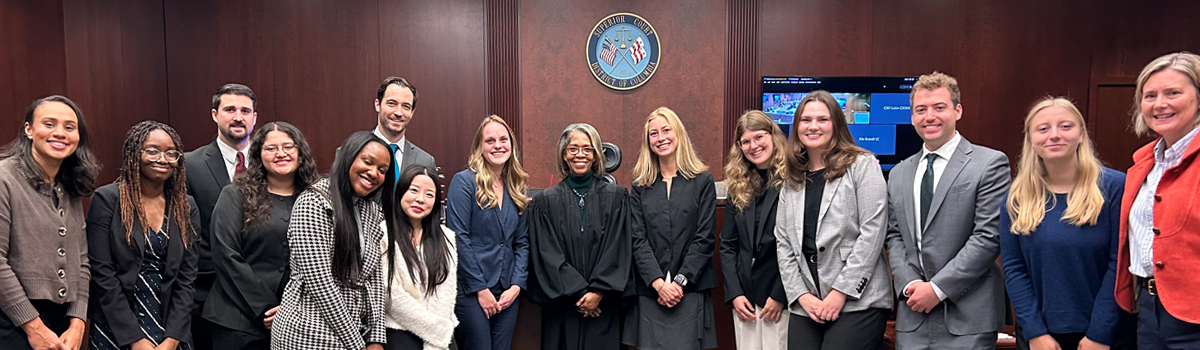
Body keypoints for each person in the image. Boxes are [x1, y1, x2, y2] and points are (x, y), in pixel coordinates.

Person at [883, 72, 1011, 349]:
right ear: (912, 116)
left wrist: (937, 289)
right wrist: (908, 286)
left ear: (957, 110)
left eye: (939, 107)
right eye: (921, 110)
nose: (930, 116)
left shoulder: (989, 163)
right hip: (913, 314)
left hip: (968, 317)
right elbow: (893, 236)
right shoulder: (899, 173)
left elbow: (988, 237)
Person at [1000, 97, 1136, 350]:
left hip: (1107, 335)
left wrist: (1100, 333)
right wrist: (1034, 331)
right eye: (1043, 128)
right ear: (1030, 138)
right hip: (1040, 337)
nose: (1054, 135)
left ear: (1082, 134)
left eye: (1065, 126)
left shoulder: (1115, 188)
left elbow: (1120, 265)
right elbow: (1014, 268)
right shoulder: (1017, 197)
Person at [774, 92, 892, 350]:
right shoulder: (791, 179)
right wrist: (801, 296)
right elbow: (783, 244)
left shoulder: (862, 165)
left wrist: (840, 293)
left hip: (857, 301)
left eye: (822, 119)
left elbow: (872, 233)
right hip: (808, 304)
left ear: (836, 124)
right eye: (806, 120)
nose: (813, 126)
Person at [270, 131, 393, 350]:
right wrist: (357, 344)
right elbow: (320, 283)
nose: (373, 172)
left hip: (353, 332)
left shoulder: (372, 211)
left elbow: (373, 280)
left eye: (382, 170)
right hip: (306, 332)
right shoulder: (313, 201)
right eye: (367, 161)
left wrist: (376, 338)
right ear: (348, 157)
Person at [201, 122, 319, 349]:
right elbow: (226, 255)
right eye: (271, 148)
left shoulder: (317, 198)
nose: (281, 154)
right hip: (238, 320)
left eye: (288, 146)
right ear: (258, 154)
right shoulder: (236, 194)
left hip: (298, 324)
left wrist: (290, 312)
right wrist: (266, 307)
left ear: (301, 153)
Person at [88, 121, 200, 350]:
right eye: (152, 150)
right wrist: (134, 339)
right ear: (133, 154)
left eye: (171, 153)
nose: (162, 159)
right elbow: (103, 275)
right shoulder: (107, 200)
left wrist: (172, 339)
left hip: (171, 324)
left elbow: (187, 279)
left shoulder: (185, 206)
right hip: (118, 324)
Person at [0, 96, 99, 350]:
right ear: (29, 130)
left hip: (63, 323)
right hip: (12, 320)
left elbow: (82, 260)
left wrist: (78, 323)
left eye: (69, 127)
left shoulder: (70, 185)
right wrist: (34, 327)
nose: (60, 133)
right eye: (49, 124)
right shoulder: (4, 178)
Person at [1117, 52, 1200, 349]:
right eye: (1149, 95)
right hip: (1149, 309)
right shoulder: (1143, 164)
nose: (1159, 104)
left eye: (1173, 93)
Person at [529, 123, 630, 350]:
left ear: (595, 155)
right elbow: (546, 254)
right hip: (563, 308)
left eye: (587, 148)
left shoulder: (617, 198)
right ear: (564, 154)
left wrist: (599, 291)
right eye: (573, 149)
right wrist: (581, 293)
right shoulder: (545, 203)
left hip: (604, 307)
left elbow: (619, 248)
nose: (580, 155)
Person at [624, 107, 718, 350]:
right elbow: (637, 239)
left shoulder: (702, 181)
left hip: (689, 290)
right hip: (650, 292)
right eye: (653, 133)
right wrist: (658, 283)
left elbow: (704, 238)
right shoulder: (640, 184)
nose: (660, 138)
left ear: (678, 133)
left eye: (666, 130)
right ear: (648, 141)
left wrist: (678, 283)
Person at [185, 83, 259, 350]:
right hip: (208, 294)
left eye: (245, 110)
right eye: (230, 109)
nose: (238, 117)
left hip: (264, 291)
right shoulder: (189, 165)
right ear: (215, 114)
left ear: (254, 118)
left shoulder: (272, 162)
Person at [446, 116, 529, 350]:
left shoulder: (516, 186)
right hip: (472, 291)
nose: (498, 145)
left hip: (507, 292)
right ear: (480, 148)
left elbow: (522, 242)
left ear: (511, 146)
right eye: (490, 141)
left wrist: (516, 286)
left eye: (503, 140)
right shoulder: (464, 183)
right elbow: (458, 237)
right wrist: (480, 290)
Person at [718, 111, 789, 350]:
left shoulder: (795, 179)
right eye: (745, 141)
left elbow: (798, 244)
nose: (753, 146)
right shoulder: (738, 184)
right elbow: (728, 245)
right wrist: (735, 294)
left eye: (759, 137)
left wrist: (780, 295)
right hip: (745, 296)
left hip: (782, 294)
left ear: (773, 136)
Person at [381, 165, 457, 350]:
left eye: (429, 195)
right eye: (414, 190)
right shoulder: (383, 233)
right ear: (400, 192)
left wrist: (434, 343)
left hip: (439, 331)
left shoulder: (446, 237)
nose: (420, 199)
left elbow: (445, 292)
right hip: (399, 327)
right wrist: (434, 331)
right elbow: (389, 293)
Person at [372, 76, 437, 179]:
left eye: (406, 106)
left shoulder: (425, 161)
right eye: (392, 104)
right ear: (377, 105)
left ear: (412, 112)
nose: (398, 112)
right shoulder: (352, 152)